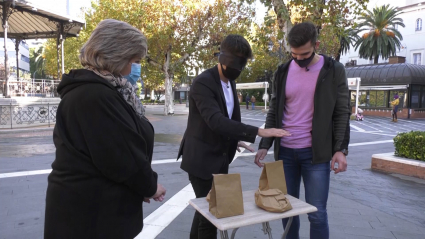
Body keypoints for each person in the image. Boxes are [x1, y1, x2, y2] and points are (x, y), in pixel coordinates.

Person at [44, 19, 166, 239]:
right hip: (90, 218)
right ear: (117, 55)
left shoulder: (101, 90)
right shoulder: (95, 95)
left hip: (92, 211)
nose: (134, 68)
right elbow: (123, 157)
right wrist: (150, 186)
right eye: (134, 60)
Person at [177, 34, 290, 239]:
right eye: (236, 62)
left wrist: (234, 139)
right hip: (201, 160)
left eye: (243, 63)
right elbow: (215, 120)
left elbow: (224, 119)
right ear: (222, 57)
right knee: (209, 215)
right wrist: (258, 131)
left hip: (220, 158)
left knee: (207, 212)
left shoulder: (229, 83)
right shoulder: (203, 83)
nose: (239, 69)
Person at [254, 22, 350, 239]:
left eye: (304, 54)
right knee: (286, 211)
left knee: (317, 213)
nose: (298, 59)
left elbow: (342, 112)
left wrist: (340, 149)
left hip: (315, 155)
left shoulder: (334, 70)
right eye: (294, 54)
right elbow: (274, 112)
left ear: (316, 44)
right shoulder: (282, 71)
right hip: (285, 153)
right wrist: (265, 145)